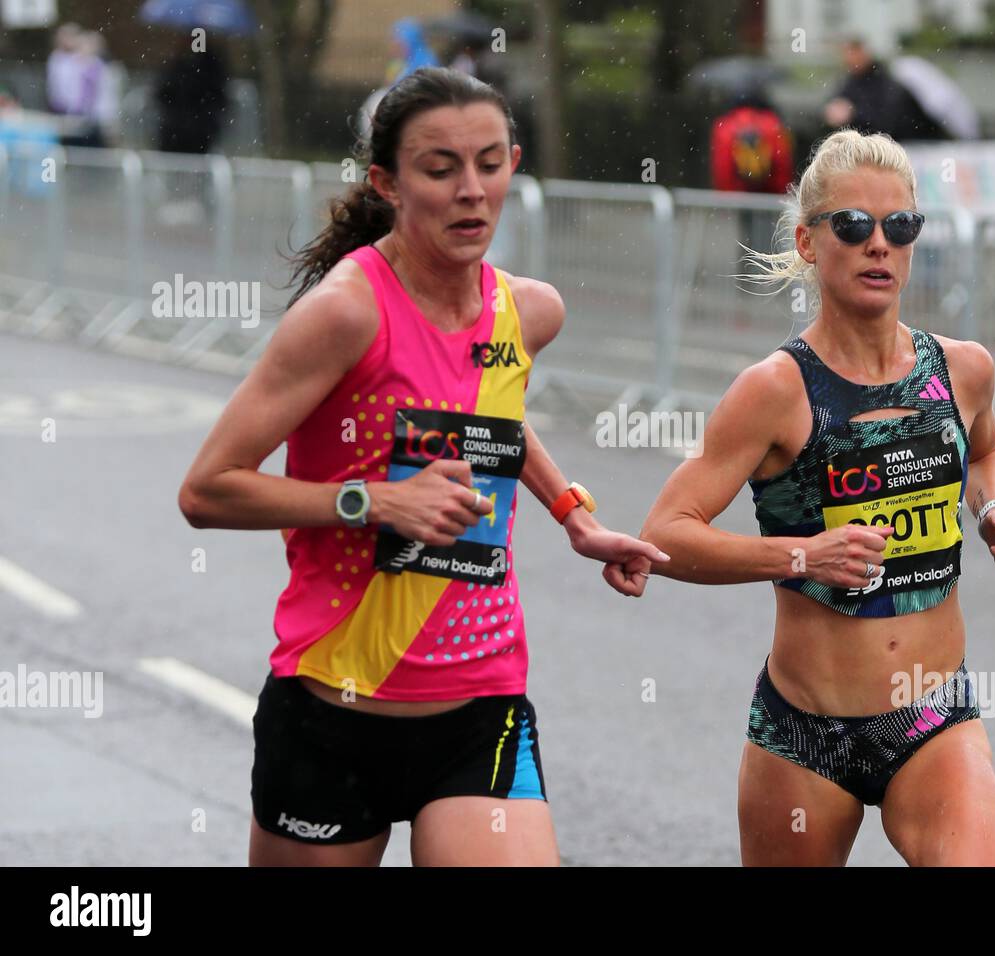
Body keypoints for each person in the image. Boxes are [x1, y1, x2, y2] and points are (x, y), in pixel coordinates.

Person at [177, 67, 666, 866]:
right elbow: (206, 489)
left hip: (483, 705)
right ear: (388, 183)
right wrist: (370, 503)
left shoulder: (529, 311)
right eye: (440, 170)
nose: (471, 190)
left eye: (490, 163)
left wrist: (575, 516)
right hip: (334, 708)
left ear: (514, 162)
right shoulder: (345, 312)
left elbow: (491, 419)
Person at [639, 130, 995, 866]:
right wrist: (800, 554)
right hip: (805, 732)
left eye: (900, 226)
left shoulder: (963, 370)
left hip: (933, 717)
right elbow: (666, 533)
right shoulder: (774, 391)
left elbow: (986, 451)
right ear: (810, 241)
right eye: (853, 226)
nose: (878, 245)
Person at [710, 86, 795, 256]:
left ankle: (746, 272)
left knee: (746, 234)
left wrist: (726, 195)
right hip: (768, 194)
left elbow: (722, 166)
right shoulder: (772, 123)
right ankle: (767, 272)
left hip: (742, 193)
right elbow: (782, 161)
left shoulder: (725, 125)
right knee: (770, 237)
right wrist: (782, 192)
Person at [823, 39, 947, 143]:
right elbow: (834, 107)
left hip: (901, 145)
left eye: (853, 52)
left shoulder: (885, 82)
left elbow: (886, 120)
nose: (849, 58)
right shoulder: (849, 81)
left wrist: (853, 114)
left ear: (864, 53)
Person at [156, 34, 228, 154]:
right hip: (177, 127)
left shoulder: (208, 65)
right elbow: (165, 91)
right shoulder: (180, 63)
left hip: (198, 129)